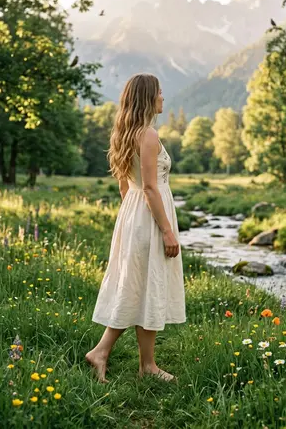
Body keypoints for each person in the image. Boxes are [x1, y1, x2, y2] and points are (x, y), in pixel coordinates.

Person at [85, 73, 186, 383]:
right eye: (159, 92)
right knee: (148, 284)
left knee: (138, 286)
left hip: (134, 216)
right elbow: (152, 189)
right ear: (147, 98)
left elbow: (124, 185)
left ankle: (136, 362)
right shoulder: (148, 136)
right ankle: (138, 363)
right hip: (150, 218)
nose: (163, 98)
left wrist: (132, 220)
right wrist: (166, 230)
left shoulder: (124, 134)